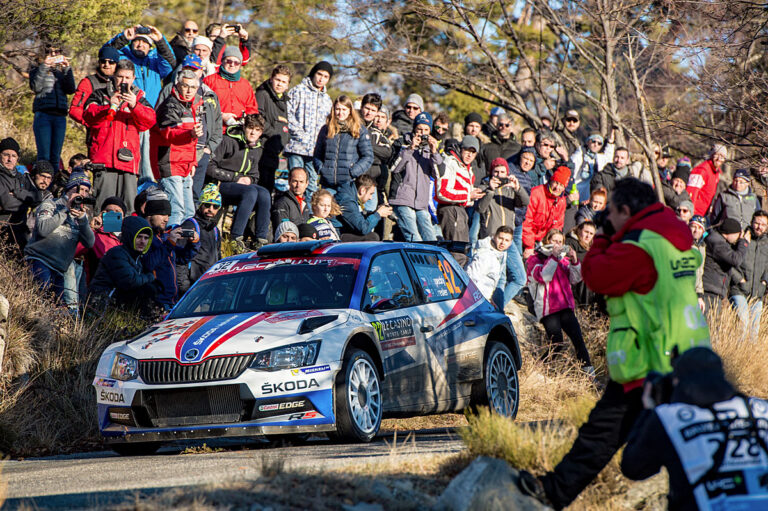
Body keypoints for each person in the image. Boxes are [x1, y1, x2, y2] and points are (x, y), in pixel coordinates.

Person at [519, 177, 711, 509]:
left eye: (611, 212)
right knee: (613, 435)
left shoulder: (638, 244)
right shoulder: (674, 235)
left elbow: (596, 276)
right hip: (683, 355)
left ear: (625, 210)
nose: (606, 217)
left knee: (606, 436)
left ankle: (552, 492)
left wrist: (605, 236)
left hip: (650, 359)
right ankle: (553, 491)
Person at [622, 348, 768, 511]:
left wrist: (648, 410)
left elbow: (633, 468)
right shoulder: (761, 409)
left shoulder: (669, 418)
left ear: (678, 382)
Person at [83, 59, 156, 214]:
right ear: (114, 76)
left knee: (128, 209)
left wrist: (135, 106)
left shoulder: (139, 98)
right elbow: (88, 116)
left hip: (128, 164)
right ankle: (101, 238)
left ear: (134, 79)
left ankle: (124, 238)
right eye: (120, 77)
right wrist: (109, 107)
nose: (124, 81)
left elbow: (149, 122)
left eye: (128, 78)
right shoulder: (99, 95)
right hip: (104, 162)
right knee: (103, 208)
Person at [106, 25, 176, 181]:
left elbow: (171, 63)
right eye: (137, 41)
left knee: (147, 158)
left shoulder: (156, 60)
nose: (140, 45)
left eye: (145, 42)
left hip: (149, 117)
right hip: (124, 114)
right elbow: (106, 53)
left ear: (150, 46)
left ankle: (146, 185)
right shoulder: (124, 57)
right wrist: (123, 37)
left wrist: (160, 41)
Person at [156, 54, 223, 204]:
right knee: (175, 201)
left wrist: (209, 148)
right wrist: (188, 134)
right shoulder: (170, 92)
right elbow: (163, 126)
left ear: (201, 71)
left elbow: (217, 124)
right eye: (187, 68)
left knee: (192, 200)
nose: (190, 72)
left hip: (199, 152)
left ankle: (189, 227)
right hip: (174, 156)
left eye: (194, 69)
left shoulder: (209, 94)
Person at [526, 228, 592, 371]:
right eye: (554, 241)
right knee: (557, 344)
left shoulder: (562, 260)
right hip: (548, 309)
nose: (557, 244)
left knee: (578, 341)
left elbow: (575, 279)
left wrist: (575, 261)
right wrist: (554, 258)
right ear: (547, 241)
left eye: (560, 242)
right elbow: (544, 277)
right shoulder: (535, 259)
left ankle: (590, 375)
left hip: (565, 306)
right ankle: (537, 370)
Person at [23, 171, 95, 299]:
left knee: (57, 310)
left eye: (86, 190)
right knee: (41, 297)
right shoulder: (50, 204)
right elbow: (43, 230)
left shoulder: (81, 216)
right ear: (69, 189)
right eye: (78, 189)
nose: (82, 193)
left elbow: (90, 243)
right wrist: (65, 210)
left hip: (59, 269)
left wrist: (83, 219)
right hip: (39, 260)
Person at [206, 113, 271, 251]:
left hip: (241, 188)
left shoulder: (256, 149)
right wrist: (235, 178)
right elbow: (210, 167)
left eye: (257, 130)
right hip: (220, 184)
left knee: (264, 194)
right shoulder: (228, 141)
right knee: (251, 191)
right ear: (244, 127)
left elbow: (255, 175)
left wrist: (249, 179)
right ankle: (236, 238)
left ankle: (260, 239)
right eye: (250, 128)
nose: (253, 132)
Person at [152, 69, 204, 226]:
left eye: (193, 87)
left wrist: (193, 162)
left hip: (185, 165)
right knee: (176, 210)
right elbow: (169, 133)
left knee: (189, 212)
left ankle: (182, 248)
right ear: (178, 85)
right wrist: (190, 133)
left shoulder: (192, 106)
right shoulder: (169, 105)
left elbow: (193, 141)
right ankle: (170, 247)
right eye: (185, 86)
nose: (189, 91)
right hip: (169, 164)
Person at [475, 157, 529, 306]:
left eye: (502, 172)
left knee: (519, 278)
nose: (499, 175)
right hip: (493, 240)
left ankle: (498, 306)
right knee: (499, 278)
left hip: (508, 240)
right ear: (491, 173)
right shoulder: (485, 187)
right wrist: (490, 190)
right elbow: (480, 208)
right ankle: (495, 309)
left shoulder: (509, 190)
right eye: (496, 172)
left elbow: (525, 202)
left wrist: (517, 188)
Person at [139, 189, 198, 310]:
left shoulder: (163, 238)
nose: (166, 219)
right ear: (150, 214)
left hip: (171, 302)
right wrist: (169, 243)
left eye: (168, 215)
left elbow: (182, 258)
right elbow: (149, 264)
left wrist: (193, 243)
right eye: (162, 214)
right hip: (155, 303)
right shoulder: (142, 237)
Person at [284, 61, 334, 198]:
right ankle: (292, 213)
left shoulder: (327, 100)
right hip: (296, 147)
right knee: (295, 184)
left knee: (311, 185)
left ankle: (309, 216)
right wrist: (301, 135)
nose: (321, 79)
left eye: (325, 76)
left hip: (314, 151)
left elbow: (328, 125)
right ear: (313, 73)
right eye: (319, 74)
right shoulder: (298, 90)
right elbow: (288, 114)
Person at [389, 112, 441, 242]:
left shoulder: (430, 149)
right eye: (419, 129)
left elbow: (438, 174)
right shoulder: (403, 143)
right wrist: (410, 149)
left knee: (431, 239)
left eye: (426, 130)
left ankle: (431, 262)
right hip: (402, 198)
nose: (422, 133)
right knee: (415, 239)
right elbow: (394, 168)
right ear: (414, 129)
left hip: (421, 203)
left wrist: (434, 152)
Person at [89, 215, 160, 310]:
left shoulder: (137, 257)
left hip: (116, 302)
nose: (143, 241)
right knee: (146, 290)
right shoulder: (117, 253)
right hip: (102, 303)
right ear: (130, 236)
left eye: (146, 238)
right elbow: (130, 281)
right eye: (139, 237)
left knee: (151, 290)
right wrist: (150, 276)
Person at [435, 136, 485, 264]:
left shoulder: (466, 168)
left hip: (460, 210)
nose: (470, 155)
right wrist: (469, 195)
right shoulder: (450, 162)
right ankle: (452, 283)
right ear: (461, 148)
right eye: (467, 150)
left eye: (473, 152)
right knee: (457, 255)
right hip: (451, 210)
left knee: (463, 254)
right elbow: (442, 192)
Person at [29, 43, 76, 170]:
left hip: (60, 116)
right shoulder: (36, 68)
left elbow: (71, 89)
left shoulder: (60, 72)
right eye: (50, 52)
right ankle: (40, 186)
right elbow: (36, 87)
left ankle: (53, 187)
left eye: (57, 52)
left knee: (55, 157)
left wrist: (67, 69)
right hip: (43, 115)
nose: (54, 55)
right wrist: (45, 66)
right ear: (44, 53)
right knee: (44, 156)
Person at [313, 95, 374, 192]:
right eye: (338, 109)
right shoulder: (326, 129)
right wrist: (321, 169)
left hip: (348, 183)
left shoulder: (359, 130)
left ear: (350, 110)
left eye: (344, 109)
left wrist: (353, 172)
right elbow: (317, 154)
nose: (340, 113)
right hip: (327, 183)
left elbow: (368, 156)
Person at [729, 210, 768, 340]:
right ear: (751, 222)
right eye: (757, 223)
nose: (759, 227)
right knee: (743, 323)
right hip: (739, 289)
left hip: (758, 292)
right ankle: (738, 354)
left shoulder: (766, 243)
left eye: (763, 224)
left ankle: (749, 356)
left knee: (754, 331)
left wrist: (764, 282)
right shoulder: (742, 238)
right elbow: (730, 261)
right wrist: (739, 279)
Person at [176, 184, 221, 295]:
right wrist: (184, 287)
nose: (210, 209)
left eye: (215, 206)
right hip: (192, 287)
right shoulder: (190, 224)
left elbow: (218, 258)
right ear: (200, 205)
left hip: (210, 285)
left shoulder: (215, 230)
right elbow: (179, 259)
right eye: (207, 205)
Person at [203, 46, 258, 132]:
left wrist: (246, 119)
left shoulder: (245, 85)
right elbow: (201, 105)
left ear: (240, 65)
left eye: (236, 62)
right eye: (229, 61)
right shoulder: (209, 81)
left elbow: (252, 108)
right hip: (215, 130)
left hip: (239, 131)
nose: (232, 64)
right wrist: (221, 116)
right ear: (222, 61)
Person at [255, 64, 292, 191]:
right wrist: (274, 135)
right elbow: (257, 119)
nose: (280, 84)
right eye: (278, 80)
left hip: (274, 153)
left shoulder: (284, 101)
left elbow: (285, 126)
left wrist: (285, 139)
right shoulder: (262, 94)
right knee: (260, 190)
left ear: (287, 85)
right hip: (260, 151)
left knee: (268, 190)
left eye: (283, 82)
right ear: (271, 79)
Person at [522, 166, 570, 259]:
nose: (557, 187)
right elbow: (526, 221)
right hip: (527, 241)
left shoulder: (561, 201)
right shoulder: (536, 193)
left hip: (544, 243)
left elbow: (557, 226)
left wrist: (550, 244)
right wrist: (529, 245)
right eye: (556, 183)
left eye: (561, 185)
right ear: (551, 180)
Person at [702, 217, 748, 313]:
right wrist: (744, 242)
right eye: (738, 235)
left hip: (713, 291)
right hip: (709, 292)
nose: (738, 238)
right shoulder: (716, 242)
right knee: (709, 325)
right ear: (730, 233)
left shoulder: (718, 240)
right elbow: (735, 259)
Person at [69, 46, 119, 132]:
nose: (106, 65)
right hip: (97, 136)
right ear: (99, 62)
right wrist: (91, 123)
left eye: (111, 62)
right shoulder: (88, 82)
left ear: (117, 64)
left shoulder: (122, 81)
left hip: (118, 135)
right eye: (103, 61)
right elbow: (75, 110)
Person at [80, 196, 126, 285]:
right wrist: (91, 228)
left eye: (117, 212)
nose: (113, 214)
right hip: (98, 287)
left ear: (123, 216)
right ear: (102, 214)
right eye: (109, 211)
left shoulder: (127, 237)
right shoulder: (95, 235)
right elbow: (77, 250)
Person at [466, 226, 514, 309]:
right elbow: (471, 278)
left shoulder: (500, 254)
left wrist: (489, 299)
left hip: (484, 299)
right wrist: (482, 301)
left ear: (510, 243)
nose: (503, 242)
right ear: (494, 237)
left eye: (506, 240)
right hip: (474, 302)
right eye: (500, 238)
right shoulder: (484, 254)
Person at [335, 175, 392, 241]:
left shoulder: (349, 193)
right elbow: (363, 228)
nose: (370, 198)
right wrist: (378, 214)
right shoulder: (347, 201)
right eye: (371, 194)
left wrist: (374, 212)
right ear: (362, 190)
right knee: (373, 237)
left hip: (343, 231)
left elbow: (357, 218)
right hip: (337, 236)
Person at [569, 130, 616, 204]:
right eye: (593, 141)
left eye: (599, 143)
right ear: (588, 142)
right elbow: (571, 172)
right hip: (576, 191)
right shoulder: (579, 154)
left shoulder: (599, 157)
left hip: (590, 195)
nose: (596, 145)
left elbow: (608, 158)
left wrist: (610, 143)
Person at [687, 144, 728, 216]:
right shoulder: (702, 170)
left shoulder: (716, 172)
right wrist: (690, 212)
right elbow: (691, 192)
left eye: (722, 157)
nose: (719, 158)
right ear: (712, 155)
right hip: (694, 213)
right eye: (716, 155)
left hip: (704, 213)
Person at [565, 220, 598, 307]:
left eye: (591, 234)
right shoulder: (570, 242)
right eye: (586, 232)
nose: (588, 236)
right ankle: (585, 308)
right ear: (579, 230)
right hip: (573, 281)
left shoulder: (592, 247)